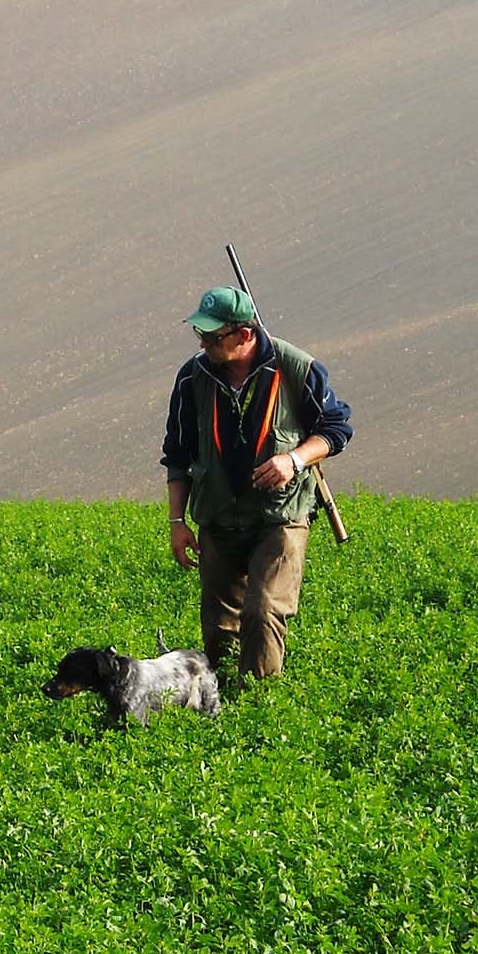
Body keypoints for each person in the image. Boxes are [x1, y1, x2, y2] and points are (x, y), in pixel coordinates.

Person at [161, 286, 352, 682]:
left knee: (263, 612)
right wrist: (176, 523)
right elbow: (177, 454)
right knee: (218, 631)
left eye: (214, 337)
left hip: (280, 516)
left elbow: (335, 429)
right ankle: (217, 706)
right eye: (201, 336)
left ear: (243, 334)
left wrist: (293, 460)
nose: (205, 345)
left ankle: (257, 710)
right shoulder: (192, 377)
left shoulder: (297, 367)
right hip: (218, 516)